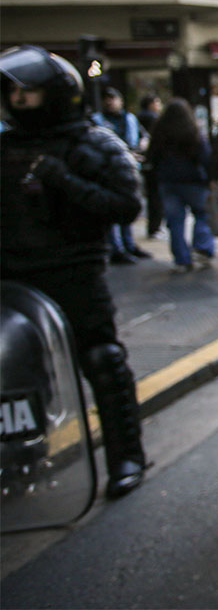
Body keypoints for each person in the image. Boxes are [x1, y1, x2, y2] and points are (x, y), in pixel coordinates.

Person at [0, 45, 148, 498]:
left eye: (29, 93)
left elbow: (125, 205)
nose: (19, 101)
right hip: (13, 276)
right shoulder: (5, 148)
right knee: (17, 373)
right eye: (13, 93)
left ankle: (126, 456)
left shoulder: (94, 142)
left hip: (74, 273)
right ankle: (21, 457)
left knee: (102, 361)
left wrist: (63, 180)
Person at [147, 98, 214, 274]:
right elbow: (205, 156)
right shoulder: (193, 131)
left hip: (168, 181)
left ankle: (181, 259)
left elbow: (151, 156)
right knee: (202, 214)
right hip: (193, 181)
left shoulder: (160, 132)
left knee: (175, 221)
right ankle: (202, 248)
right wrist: (210, 178)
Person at [92, 87, 152, 263]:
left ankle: (128, 244)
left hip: (130, 168)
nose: (110, 102)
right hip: (108, 171)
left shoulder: (130, 119)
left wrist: (140, 147)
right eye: (107, 99)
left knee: (128, 207)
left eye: (113, 98)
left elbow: (144, 137)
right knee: (113, 209)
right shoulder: (98, 121)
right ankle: (116, 248)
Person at [137, 94, 164, 238]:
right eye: (157, 102)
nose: (159, 105)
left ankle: (153, 227)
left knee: (151, 196)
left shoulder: (137, 118)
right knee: (155, 197)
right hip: (154, 163)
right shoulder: (152, 118)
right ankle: (154, 227)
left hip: (145, 161)